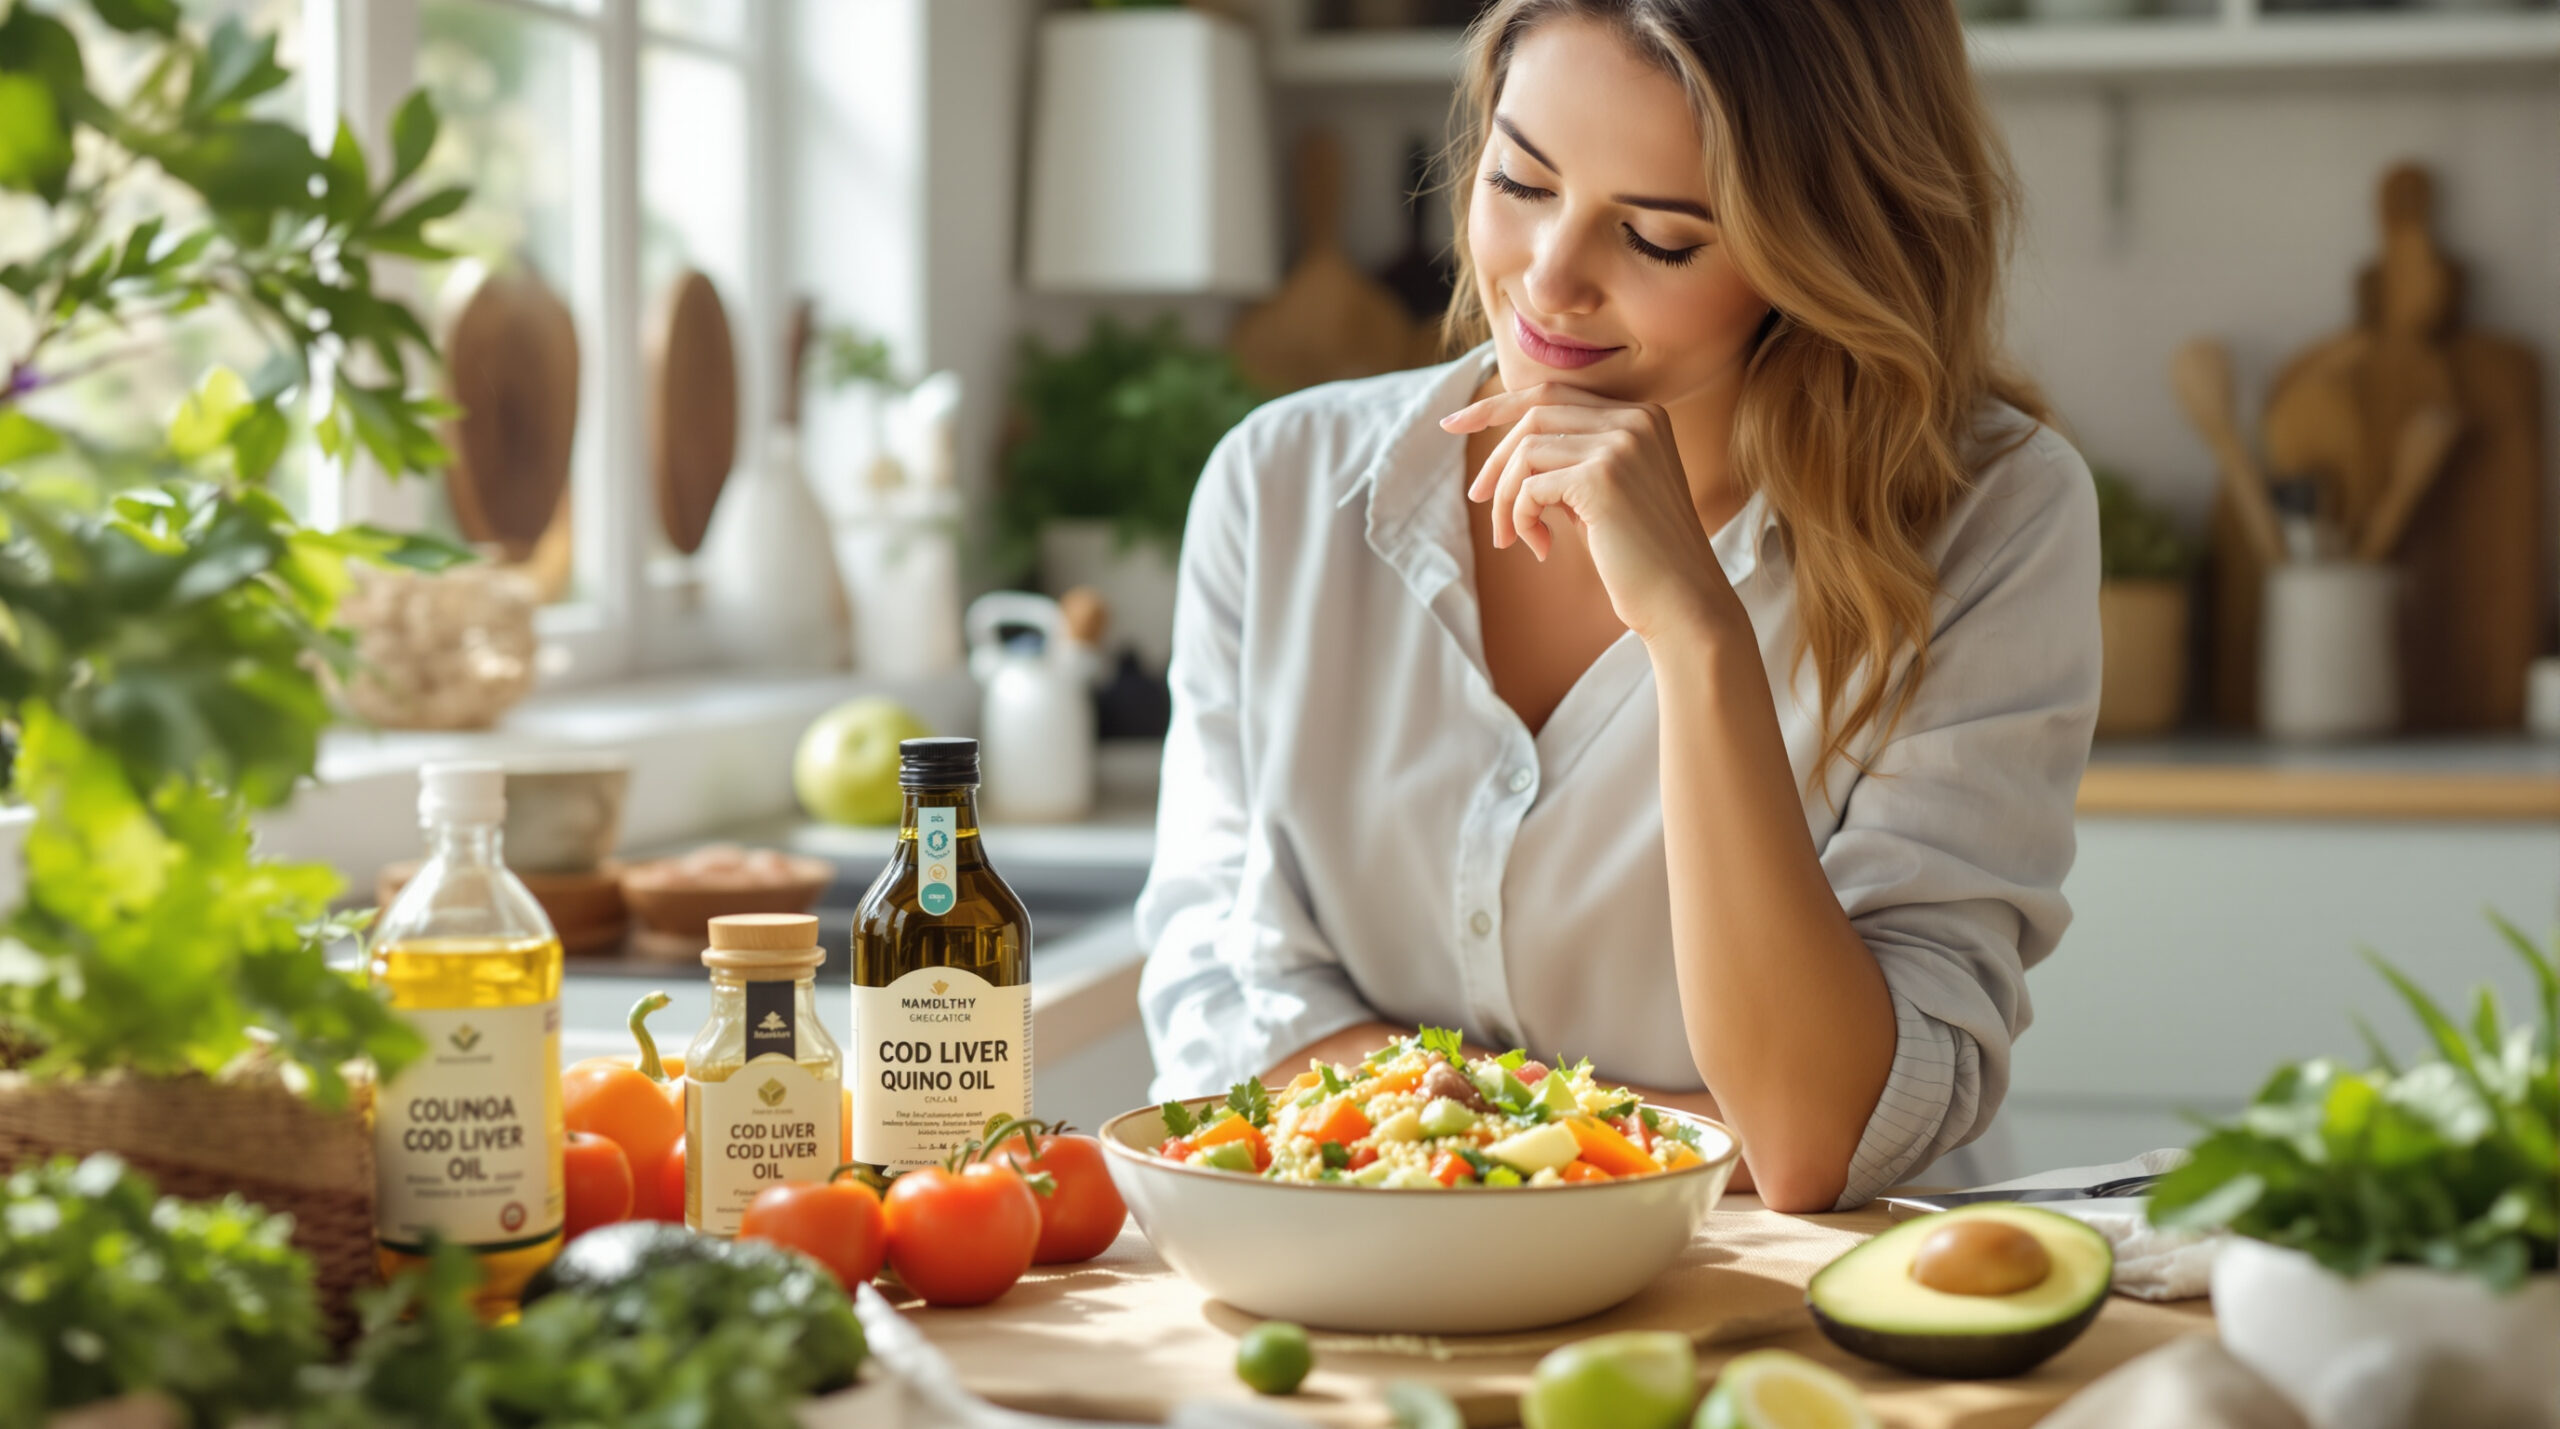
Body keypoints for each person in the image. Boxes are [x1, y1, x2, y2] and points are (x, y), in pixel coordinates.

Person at [1135, 0, 2099, 1212]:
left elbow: (1815, 1137)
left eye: (1657, 239)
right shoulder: (1280, 488)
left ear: (1820, 255)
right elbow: (1227, 1009)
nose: (1546, 281)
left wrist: (1700, 636)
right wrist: (1620, 1148)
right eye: (1520, 181)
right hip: (1364, 1306)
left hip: (1803, 1339)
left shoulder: (1988, 513)